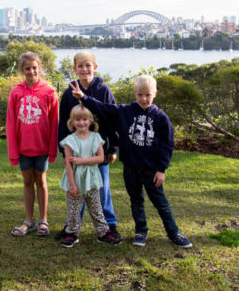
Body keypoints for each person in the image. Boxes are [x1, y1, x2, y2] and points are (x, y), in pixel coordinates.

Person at [70, 75, 192, 248]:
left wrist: (161, 169)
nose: (143, 98)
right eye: (140, 94)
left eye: (147, 95)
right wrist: (83, 98)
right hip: (131, 169)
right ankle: (141, 231)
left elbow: (167, 145)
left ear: (155, 93)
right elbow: (103, 108)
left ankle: (174, 232)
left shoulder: (161, 117)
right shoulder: (125, 111)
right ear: (134, 93)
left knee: (161, 203)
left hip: (151, 171)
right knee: (136, 201)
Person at [56, 51, 121, 241]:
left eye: (88, 65)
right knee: (77, 188)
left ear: (95, 67)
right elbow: (63, 124)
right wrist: (64, 151)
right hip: (77, 151)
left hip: (99, 150)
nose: (84, 69)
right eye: (80, 66)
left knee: (102, 190)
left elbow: (112, 120)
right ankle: (72, 226)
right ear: (75, 68)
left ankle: (110, 225)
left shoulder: (104, 90)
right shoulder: (68, 94)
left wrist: (112, 148)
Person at [6, 52, 59, 237]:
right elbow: (11, 123)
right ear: (22, 70)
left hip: (42, 148)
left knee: (41, 181)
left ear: (39, 68)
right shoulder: (16, 92)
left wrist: (53, 150)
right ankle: (29, 221)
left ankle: (43, 220)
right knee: (27, 182)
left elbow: (54, 123)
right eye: (27, 68)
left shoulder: (49, 92)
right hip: (23, 149)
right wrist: (13, 152)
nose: (31, 71)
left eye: (34, 68)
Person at [59, 104, 122, 247]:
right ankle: (72, 233)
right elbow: (68, 164)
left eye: (84, 119)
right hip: (75, 180)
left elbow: (100, 158)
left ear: (90, 121)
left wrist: (81, 161)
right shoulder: (69, 141)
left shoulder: (96, 137)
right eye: (78, 120)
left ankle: (103, 233)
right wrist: (72, 185)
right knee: (73, 210)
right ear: (72, 122)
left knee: (96, 208)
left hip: (91, 180)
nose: (81, 123)